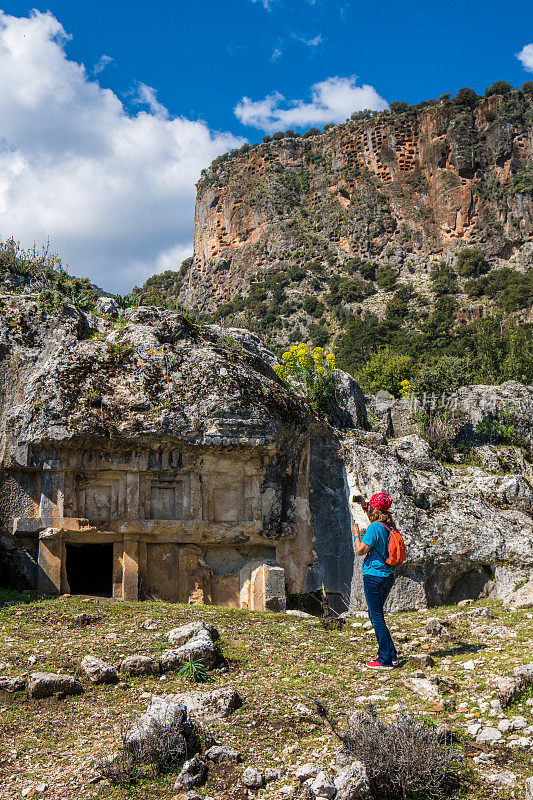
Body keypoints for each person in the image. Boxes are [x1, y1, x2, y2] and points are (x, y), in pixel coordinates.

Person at [352, 492, 398, 669]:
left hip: (373, 576)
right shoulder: (389, 525)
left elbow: (360, 550)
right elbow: (374, 515)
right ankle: (391, 655)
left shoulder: (373, 528)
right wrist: (364, 505)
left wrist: (356, 534)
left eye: (370, 505)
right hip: (388, 576)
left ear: (375, 508)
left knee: (376, 617)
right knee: (376, 615)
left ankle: (384, 659)